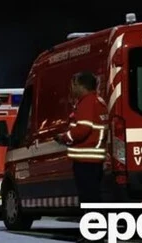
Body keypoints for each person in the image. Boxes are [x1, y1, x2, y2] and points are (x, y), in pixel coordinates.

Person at [54, 71, 108, 205]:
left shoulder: (87, 102)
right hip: (94, 158)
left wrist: (64, 137)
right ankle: (96, 222)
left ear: (81, 86)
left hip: (86, 159)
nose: (71, 88)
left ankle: (93, 223)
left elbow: (83, 129)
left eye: (73, 85)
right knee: (93, 195)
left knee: (88, 197)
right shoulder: (98, 101)